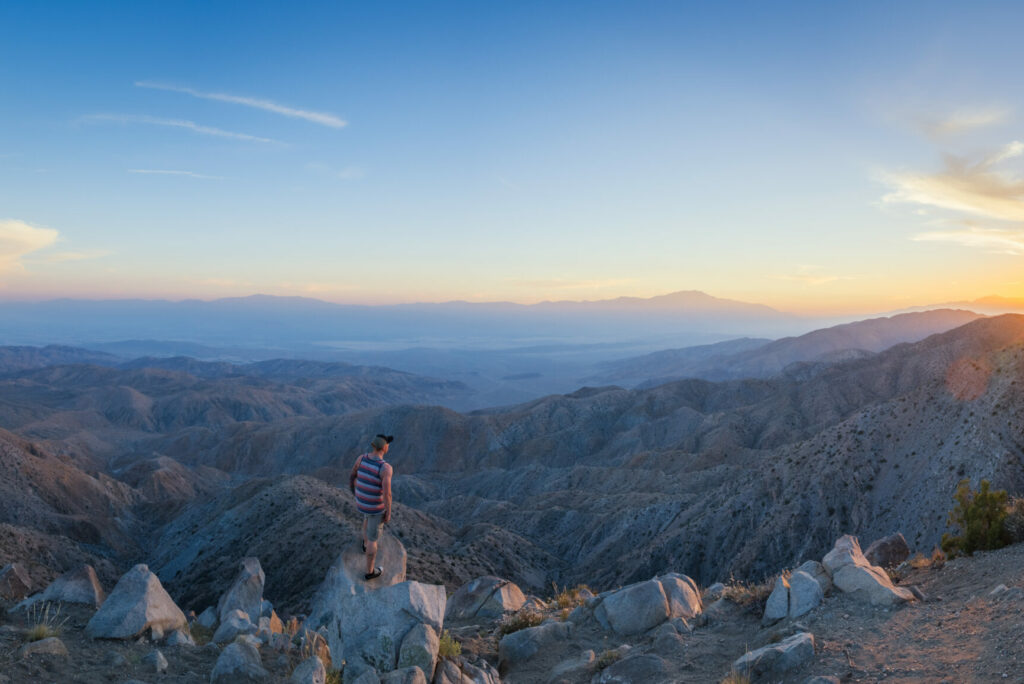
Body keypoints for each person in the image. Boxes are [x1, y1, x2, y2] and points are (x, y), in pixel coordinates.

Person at [349, 434, 393, 580]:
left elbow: (353, 474)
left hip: (362, 503)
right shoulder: (385, 468)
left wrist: (355, 492)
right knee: (374, 538)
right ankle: (370, 572)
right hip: (375, 507)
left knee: (367, 518)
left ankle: (364, 543)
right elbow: (387, 494)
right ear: (384, 447)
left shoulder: (361, 458)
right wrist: (388, 512)